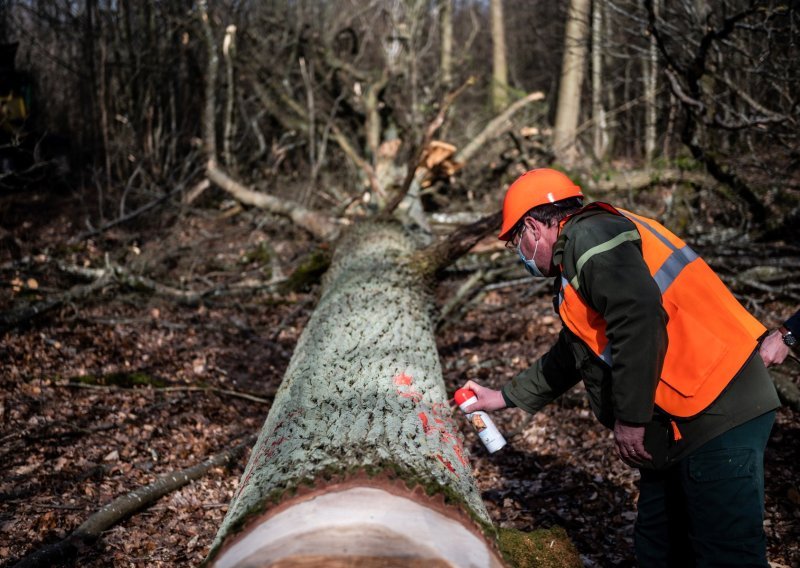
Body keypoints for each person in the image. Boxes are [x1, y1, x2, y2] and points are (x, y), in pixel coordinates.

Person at [461, 168, 780, 567]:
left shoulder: (589, 237)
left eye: (516, 243)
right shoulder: (586, 248)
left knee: (726, 556)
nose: (519, 254)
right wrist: (506, 397)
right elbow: (578, 348)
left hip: (717, 406)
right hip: (681, 412)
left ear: (532, 227)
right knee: (657, 548)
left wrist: (631, 418)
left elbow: (639, 317)